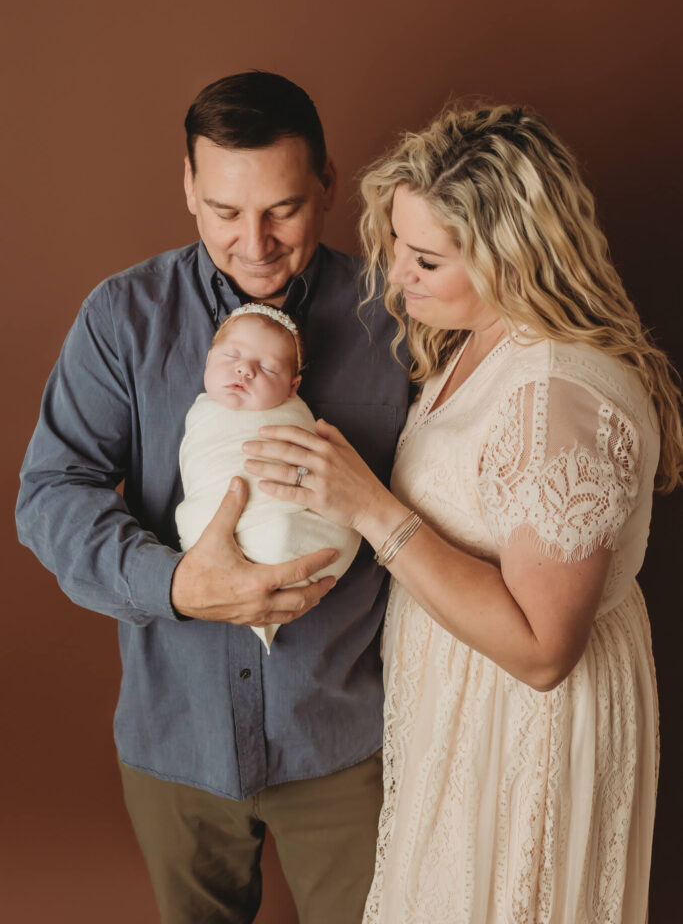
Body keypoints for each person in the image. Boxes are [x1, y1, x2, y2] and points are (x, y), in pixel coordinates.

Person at [242, 102, 683, 922]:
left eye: (425, 260)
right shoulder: (480, 337)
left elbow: (543, 650)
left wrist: (371, 509)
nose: (396, 276)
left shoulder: (560, 398)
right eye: (398, 246)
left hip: (527, 723)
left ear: (512, 260)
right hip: (459, 710)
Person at [16, 71, 411, 924]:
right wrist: (174, 586)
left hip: (347, 740)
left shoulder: (398, 318)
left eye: (283, 209)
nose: (255, 243)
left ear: (327, 186)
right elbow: (51, 493)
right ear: (189, 188)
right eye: (226, 212)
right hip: (175, 741)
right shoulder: (124, 318)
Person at [176, 302, 361, 649]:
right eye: (231, 356)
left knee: (287, 532)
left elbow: (324, 475)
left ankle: (276, 547)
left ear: (293, 388)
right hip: (209, 555)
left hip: (292, 527)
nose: (244, 370)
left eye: (267, 367)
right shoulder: (201, 414)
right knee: (193, 521)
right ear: (208, 361)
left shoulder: (294, 416)